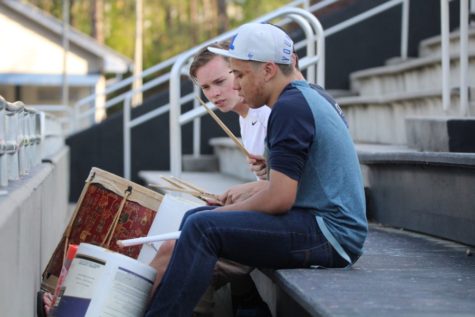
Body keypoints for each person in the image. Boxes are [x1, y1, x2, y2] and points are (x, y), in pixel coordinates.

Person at [145, 22, 367, 317]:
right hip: (320, 223)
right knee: (196, 218)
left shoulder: (291, 108)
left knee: (202, 226)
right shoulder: (307, 97)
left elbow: (279, 198)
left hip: (330, 234)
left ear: (269, 70)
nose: (235, 85)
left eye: (239, 74)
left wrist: (220, 213)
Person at [148, 41, 272, 316]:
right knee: (176, 242)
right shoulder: (246, 116)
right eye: (205, 88)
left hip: (284, 222)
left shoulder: (268, 113)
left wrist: (255, 187)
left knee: (180, 248)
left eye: (219, 81)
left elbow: (287, 189)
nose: (214, 94)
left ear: (239, 73)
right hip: (269, 213)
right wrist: (254, 187)